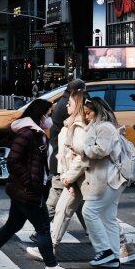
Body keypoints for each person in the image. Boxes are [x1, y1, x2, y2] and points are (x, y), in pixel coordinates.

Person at [0, 99, 74, 269]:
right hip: (28, 191)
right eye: (48, 113)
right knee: (43, 228)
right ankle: (52, 267)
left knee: (13, 225)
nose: (50, 117)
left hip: (24, 189)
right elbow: (13, 160)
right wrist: (30, 182)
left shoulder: (35, 133)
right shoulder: (28, 133)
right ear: (40, 114)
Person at [78, 97, 127, 269]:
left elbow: (101, 150)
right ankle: (113, 256)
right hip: (107, 178)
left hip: (108, 179)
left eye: (89, 112)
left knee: (89, 211)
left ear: (97, 111)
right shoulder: (101, 126)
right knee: (108, 218)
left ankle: (104, 250)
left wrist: (83, 150)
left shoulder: (104, 127)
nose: (87, 116)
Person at [46, 81, 90, 249]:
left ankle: (120, 246)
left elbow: (80, 157)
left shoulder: (78, 126)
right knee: (63, 209)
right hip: (68, 172)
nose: (65, 106)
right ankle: (49, 245)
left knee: (93, 212)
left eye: (70, 104)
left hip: (75, 175)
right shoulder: (71, 123)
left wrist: (67, 178)